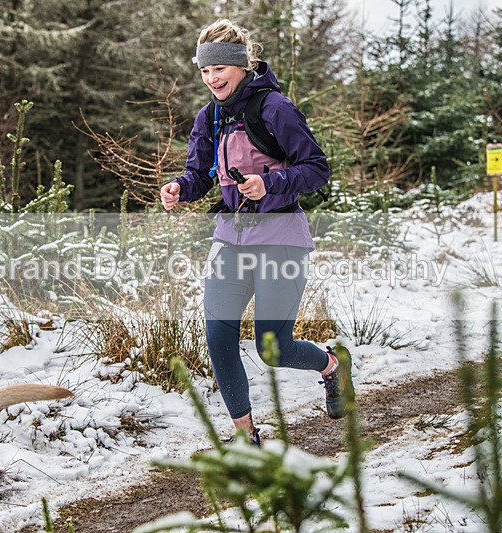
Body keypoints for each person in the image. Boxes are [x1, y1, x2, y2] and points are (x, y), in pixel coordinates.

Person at [160, 19, 345, 445]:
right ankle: (246, 435)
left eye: (219, 69)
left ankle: (332, 367)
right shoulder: (209, 117)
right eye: (205, 71)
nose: (212, 78)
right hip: (230, 238)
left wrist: (270, 185)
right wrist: (179, 188)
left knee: (272, 347)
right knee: (218, 334)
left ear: (242, 66)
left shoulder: (275, 108)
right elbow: (199, 173)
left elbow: (317, 169)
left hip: (281, 237)